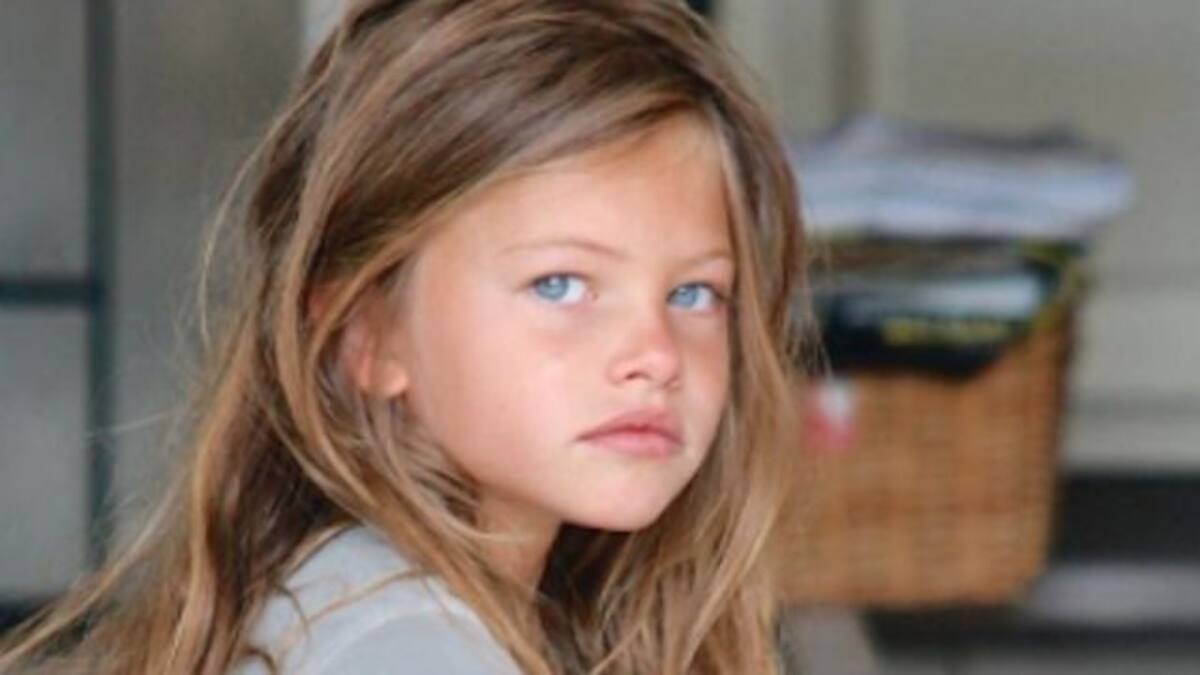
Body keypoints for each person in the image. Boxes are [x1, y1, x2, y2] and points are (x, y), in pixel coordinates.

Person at [0, 1, 812, 673]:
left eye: (695, 293)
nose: (657, 356)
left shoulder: (389, 603)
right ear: (368, 333)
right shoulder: (402, 644)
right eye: (560, 284)